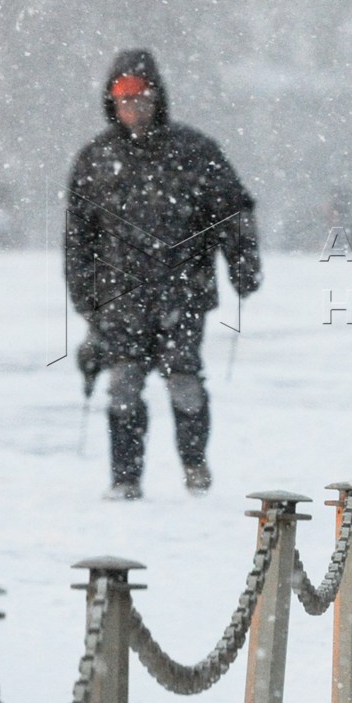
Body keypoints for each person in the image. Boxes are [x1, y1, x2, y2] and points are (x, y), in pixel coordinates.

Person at [64, 49, 262, 500]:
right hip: (119, 297)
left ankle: (194, 465)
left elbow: (232, 212)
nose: (133, 106)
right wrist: (84, 294)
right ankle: (125, 478)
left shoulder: (194, 153)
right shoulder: (95, 161)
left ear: (157, 98)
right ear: (111, 102)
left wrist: (243, 265)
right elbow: (79, 236)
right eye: (123, 97)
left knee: (184, 381)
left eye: (141, 96)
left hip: (183, 291)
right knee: (124, 386)